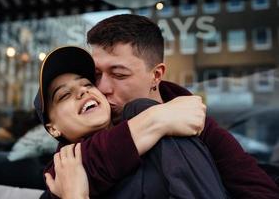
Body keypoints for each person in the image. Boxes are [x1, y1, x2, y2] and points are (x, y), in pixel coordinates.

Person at [85, 14, 279, 198]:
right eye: (96, 75)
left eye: (119, 74)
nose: (102, 88)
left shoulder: (202, 129)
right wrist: (155, 120)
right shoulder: (91, 122)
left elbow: (262, 192)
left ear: (156, 75)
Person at [35, 46, 228, 198]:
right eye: (64, 95)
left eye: (87, 84)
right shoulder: (59, 179)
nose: (83, 91)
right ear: (53, 128)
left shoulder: (149, 117)